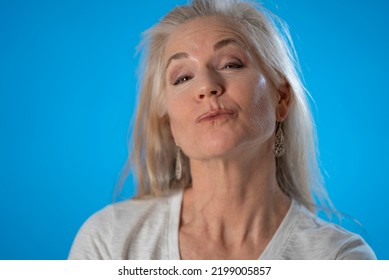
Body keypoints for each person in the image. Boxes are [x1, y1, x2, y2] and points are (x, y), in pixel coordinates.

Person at [68, 0, 376, 259]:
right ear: (169, 124)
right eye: (183, 77)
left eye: (230, 64)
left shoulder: (339, 258)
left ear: (281, 98)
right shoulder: (108, 241)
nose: (206, 86)